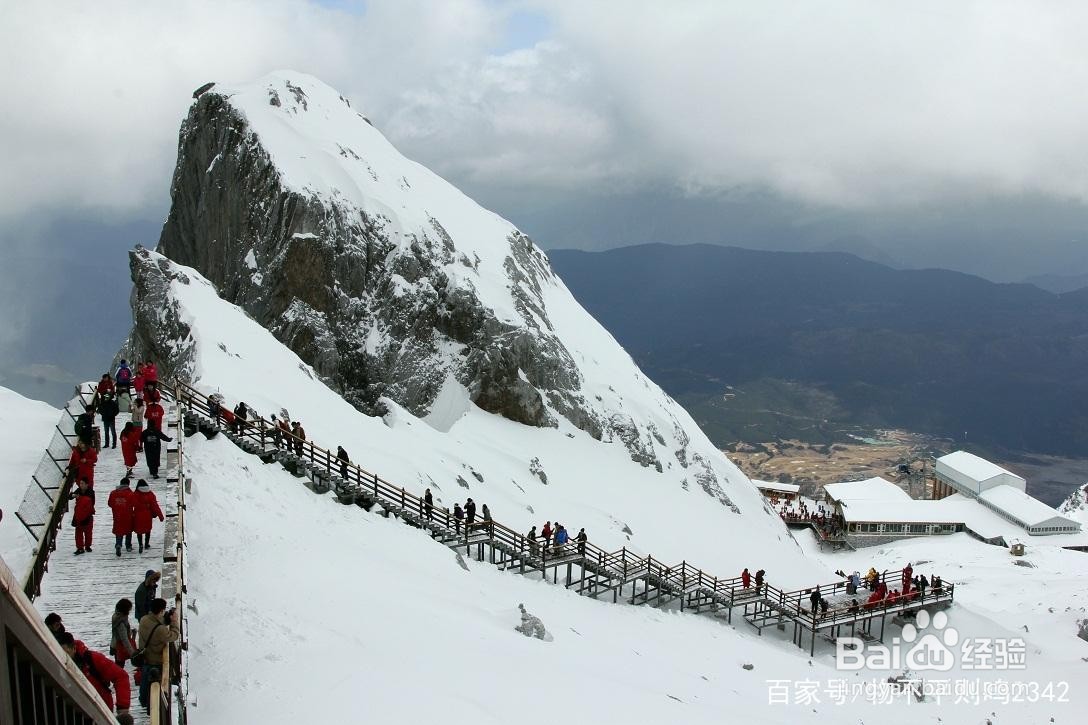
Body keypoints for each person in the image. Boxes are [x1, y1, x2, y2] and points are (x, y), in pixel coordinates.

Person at [57, 632, 132, 722]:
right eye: (59, 652)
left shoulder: (92, 659)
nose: (62, 656)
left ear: (73, 648)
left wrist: (122, 708)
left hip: (101, 710)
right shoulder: (56, 663)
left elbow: (121, 676)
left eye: (65, 653)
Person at [137, 598, 180, 714]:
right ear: (161, 611)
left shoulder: (143, 620)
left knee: (145, 692)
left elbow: (155, 625)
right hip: (157, 663)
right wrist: (174, 621)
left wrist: (166, 619)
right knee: (157, 693)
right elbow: (174, 635)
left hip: (146, 661)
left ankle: (147, 705)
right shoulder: (161, 630)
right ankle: (155, 712)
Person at [133, 480, 164, 553]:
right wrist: (160, 516)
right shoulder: (150, 494)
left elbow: (132, 503)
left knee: (139, 530)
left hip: (138, 514)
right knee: (147, 529)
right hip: (147, 514)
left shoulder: (135, 494)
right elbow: (155, 506)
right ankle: (146, 544)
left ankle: (140, 544)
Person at [108, 477, 136, 556]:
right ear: (128, 484)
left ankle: (118, 544)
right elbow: (134, 503)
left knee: (118, 531)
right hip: (128, 516)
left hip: (117, 515)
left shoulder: (113, 493)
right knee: (128, 531)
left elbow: (110, 503)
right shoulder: (130, 494)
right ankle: (128, 546)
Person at [111, 598, 137, 668]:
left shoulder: (117, 616)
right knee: (119, 666)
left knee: (118, 665)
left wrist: (131, 631)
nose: (130, 610)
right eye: (129, 609)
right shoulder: (121, 622)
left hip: (115, 644)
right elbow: (124, 639)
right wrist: (132, 653)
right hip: (120, 647)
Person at [71, 478, 95, 554]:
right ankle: (80, 547)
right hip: (78, 513)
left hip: (88, 514)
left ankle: (88, 546)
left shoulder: (90, 492)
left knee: (88, 532)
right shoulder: (78, 490)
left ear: (86, 484)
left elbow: (90, 501)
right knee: (78, 532)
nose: (80, 485)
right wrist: (72, 495)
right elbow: (70, 496)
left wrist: (79, 497)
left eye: (82, 483)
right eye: (80, 483)